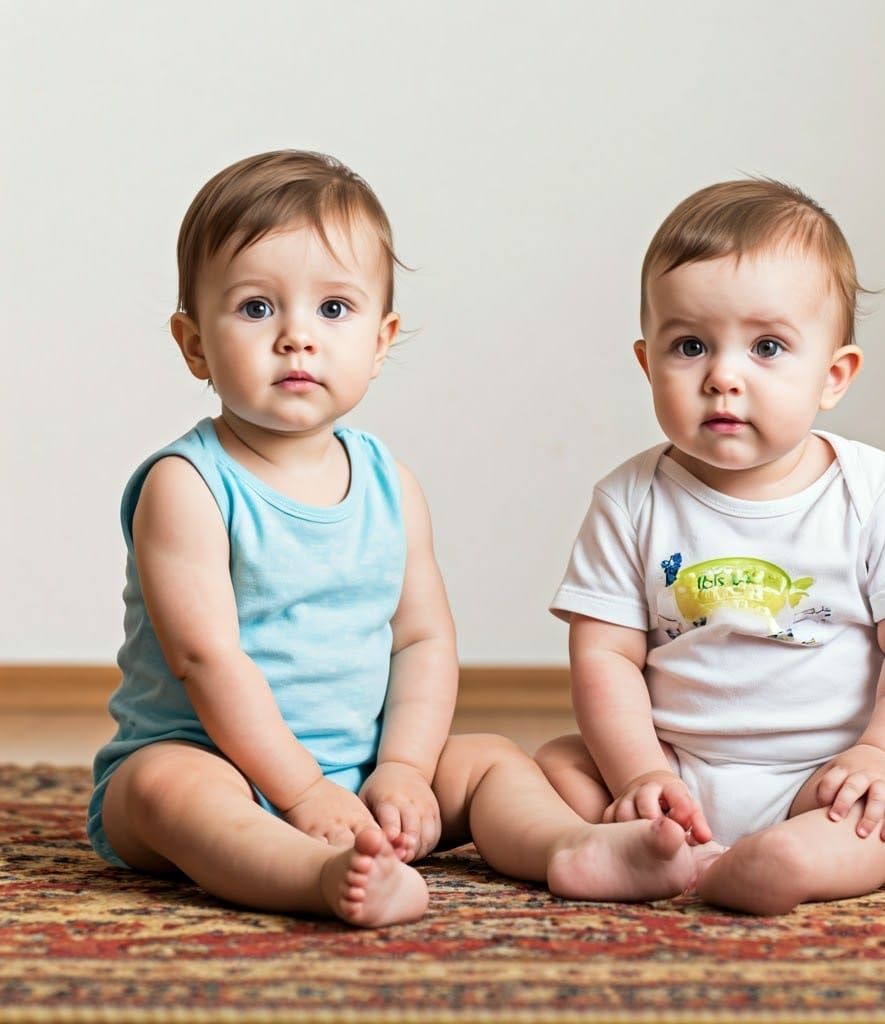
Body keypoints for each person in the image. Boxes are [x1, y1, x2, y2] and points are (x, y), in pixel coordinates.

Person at [87, 150, 713, 929]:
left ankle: (572, 847)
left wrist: (407, 770)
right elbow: (206, 661)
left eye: (334, 310)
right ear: (194, 345)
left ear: (381, 342)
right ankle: (318, 876)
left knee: (488, 760)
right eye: (255, 309)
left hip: (361, 769)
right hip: (215, 761)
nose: (296, 339)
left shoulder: (389, 484)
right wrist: (304, 794)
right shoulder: (187, 486)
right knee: (166, 793)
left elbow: (421, 639)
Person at [537, 179, 885, 916]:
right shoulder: (629, 498)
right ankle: (647, 847)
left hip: (822, 777)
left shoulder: (874, 492)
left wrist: (884, 756)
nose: (723, 377)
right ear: (648, 365)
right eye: (690, 346)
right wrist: (641, 772)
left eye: (767, 347)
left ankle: (788, 860)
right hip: (676, 770)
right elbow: (605, 655)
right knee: (556, 764)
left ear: (833, 376)